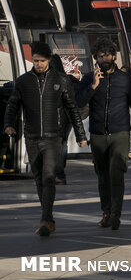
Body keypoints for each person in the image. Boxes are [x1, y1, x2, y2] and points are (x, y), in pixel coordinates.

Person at [3, 42, 87, 236]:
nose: (39, 64)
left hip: (53, 137)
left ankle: (45, 219)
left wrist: (80, 135)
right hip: (31, 137)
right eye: (35, 61)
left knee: (49, 178)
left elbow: (72, 108)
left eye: (42, 61)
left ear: (49, 60)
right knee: (39, 179)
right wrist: (8, 124)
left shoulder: (61, 80)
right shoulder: (23, 81)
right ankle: (48, 218)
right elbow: (12, 105)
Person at [76, 37, 131, 230]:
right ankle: (106, 212)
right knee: (102, 175)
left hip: (120, 133)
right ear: (95, 58)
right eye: (101, 56)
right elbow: (78, 102)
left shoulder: (125, 79)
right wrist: (93, 85)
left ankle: (116, 214)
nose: (105, 58)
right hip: (98, 134)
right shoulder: (88, 78)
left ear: (114, 56)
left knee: (116, 173)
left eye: (108, 55)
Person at [49, 54, 80, 185]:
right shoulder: (70, 79)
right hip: (67, 119)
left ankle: (51, 173)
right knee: (63, 144)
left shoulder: (50, 80)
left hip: (53, 118)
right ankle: (60, 174)